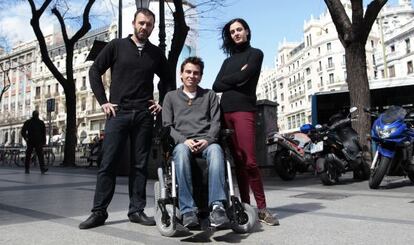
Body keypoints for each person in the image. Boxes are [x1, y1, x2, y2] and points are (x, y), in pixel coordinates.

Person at [79, 8, 174, 229]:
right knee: (108, 163)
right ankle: (99, 212)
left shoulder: (156, 53)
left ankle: (136, 210)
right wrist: (103, 101)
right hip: (118, 113)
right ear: (133, 23)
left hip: (143, 114)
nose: (145, 27)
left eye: (149, 24)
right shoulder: (116, 46)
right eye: (141, 23)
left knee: (140, 165)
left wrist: (163, 103)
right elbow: (95, 71)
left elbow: (168, 80)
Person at [212, 18, 279, 226]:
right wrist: (238, 77)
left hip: (244, 110)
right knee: (238, 162)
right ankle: (244, 206)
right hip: (225, 113)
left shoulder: (256, 54)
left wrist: (232, 80)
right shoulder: (227, 61)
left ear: (247, 31)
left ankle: (262, 208)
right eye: (232, 32)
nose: (236, 34)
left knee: (249, 160)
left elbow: (247, 77)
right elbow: (216, 85)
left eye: (239, 30)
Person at [162, 57, 229, 228]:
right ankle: (187, 210)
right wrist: (184, 141)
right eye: (188, 72)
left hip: (206, 141)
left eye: (196, 73)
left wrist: (208, 140)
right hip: (183, 143)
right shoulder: (170, 97)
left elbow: (216, 123)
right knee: (182, 152)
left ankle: (217, 207)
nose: (192, 75)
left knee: (216, 150)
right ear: (181, 74)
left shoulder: (210, 95)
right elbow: (167, 126)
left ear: (200, 76)